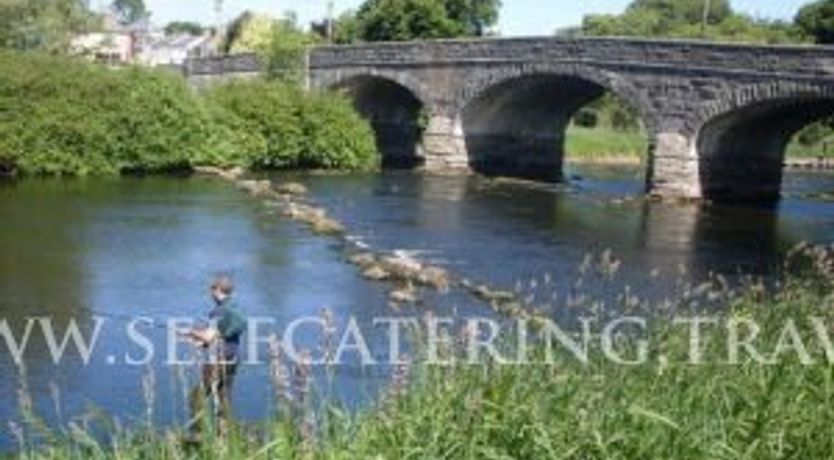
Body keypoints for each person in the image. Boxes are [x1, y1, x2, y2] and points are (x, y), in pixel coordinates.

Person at [181, 276, 247, 436]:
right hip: (232, 357)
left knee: (197, 396)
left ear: (217, 290)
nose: (210, 294)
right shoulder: (236, 307)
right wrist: (198, 340)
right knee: (224, 396)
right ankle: (225, 435)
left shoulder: (219, 311)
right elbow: (222, 334)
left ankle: (197, 435)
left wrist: (190, 332)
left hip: (217, 359)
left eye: (212, 290)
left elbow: (209, 337)